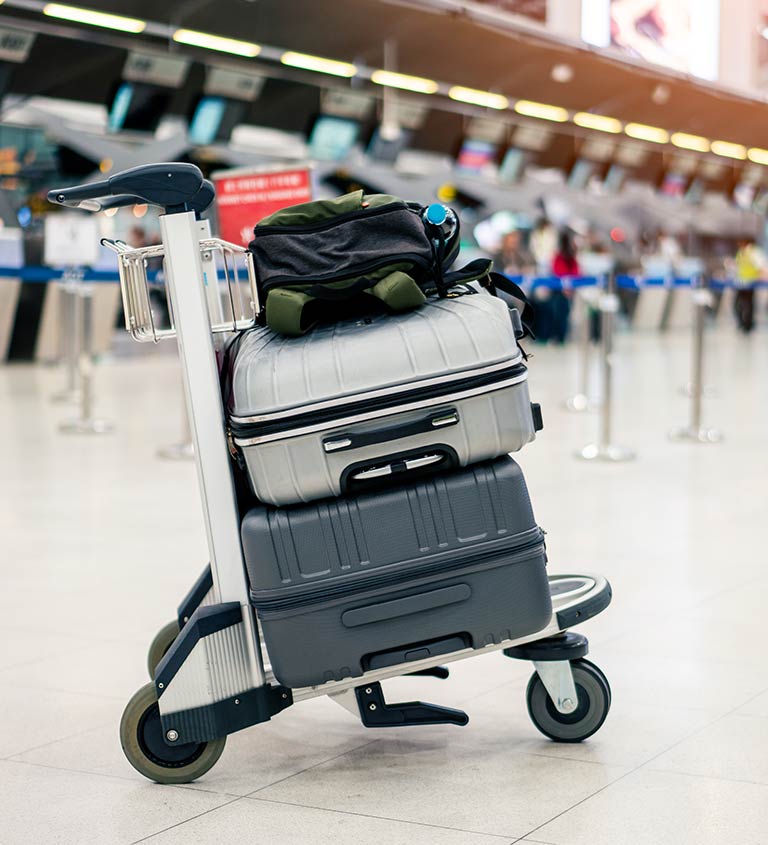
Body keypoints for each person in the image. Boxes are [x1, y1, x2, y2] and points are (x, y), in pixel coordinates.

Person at [548, 229, 579, 344]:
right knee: (561, 314)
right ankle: (559, 336)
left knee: (563, 314)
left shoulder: (569, 255)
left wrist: (568, 286)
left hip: (564, 290)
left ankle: (561, 336)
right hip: (560, 290)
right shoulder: (561, 255)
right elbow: (558, 270)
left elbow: (574, 270)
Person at [733, 238, 767, 333]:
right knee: (738, 304)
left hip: (750, 282)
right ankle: (742, 323)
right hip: (740, 282)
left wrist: (763, 275)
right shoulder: (741, 252)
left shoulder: (754, 252)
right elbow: (738, 266)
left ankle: (748, 325)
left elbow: (761, 266)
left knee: (748, 304)